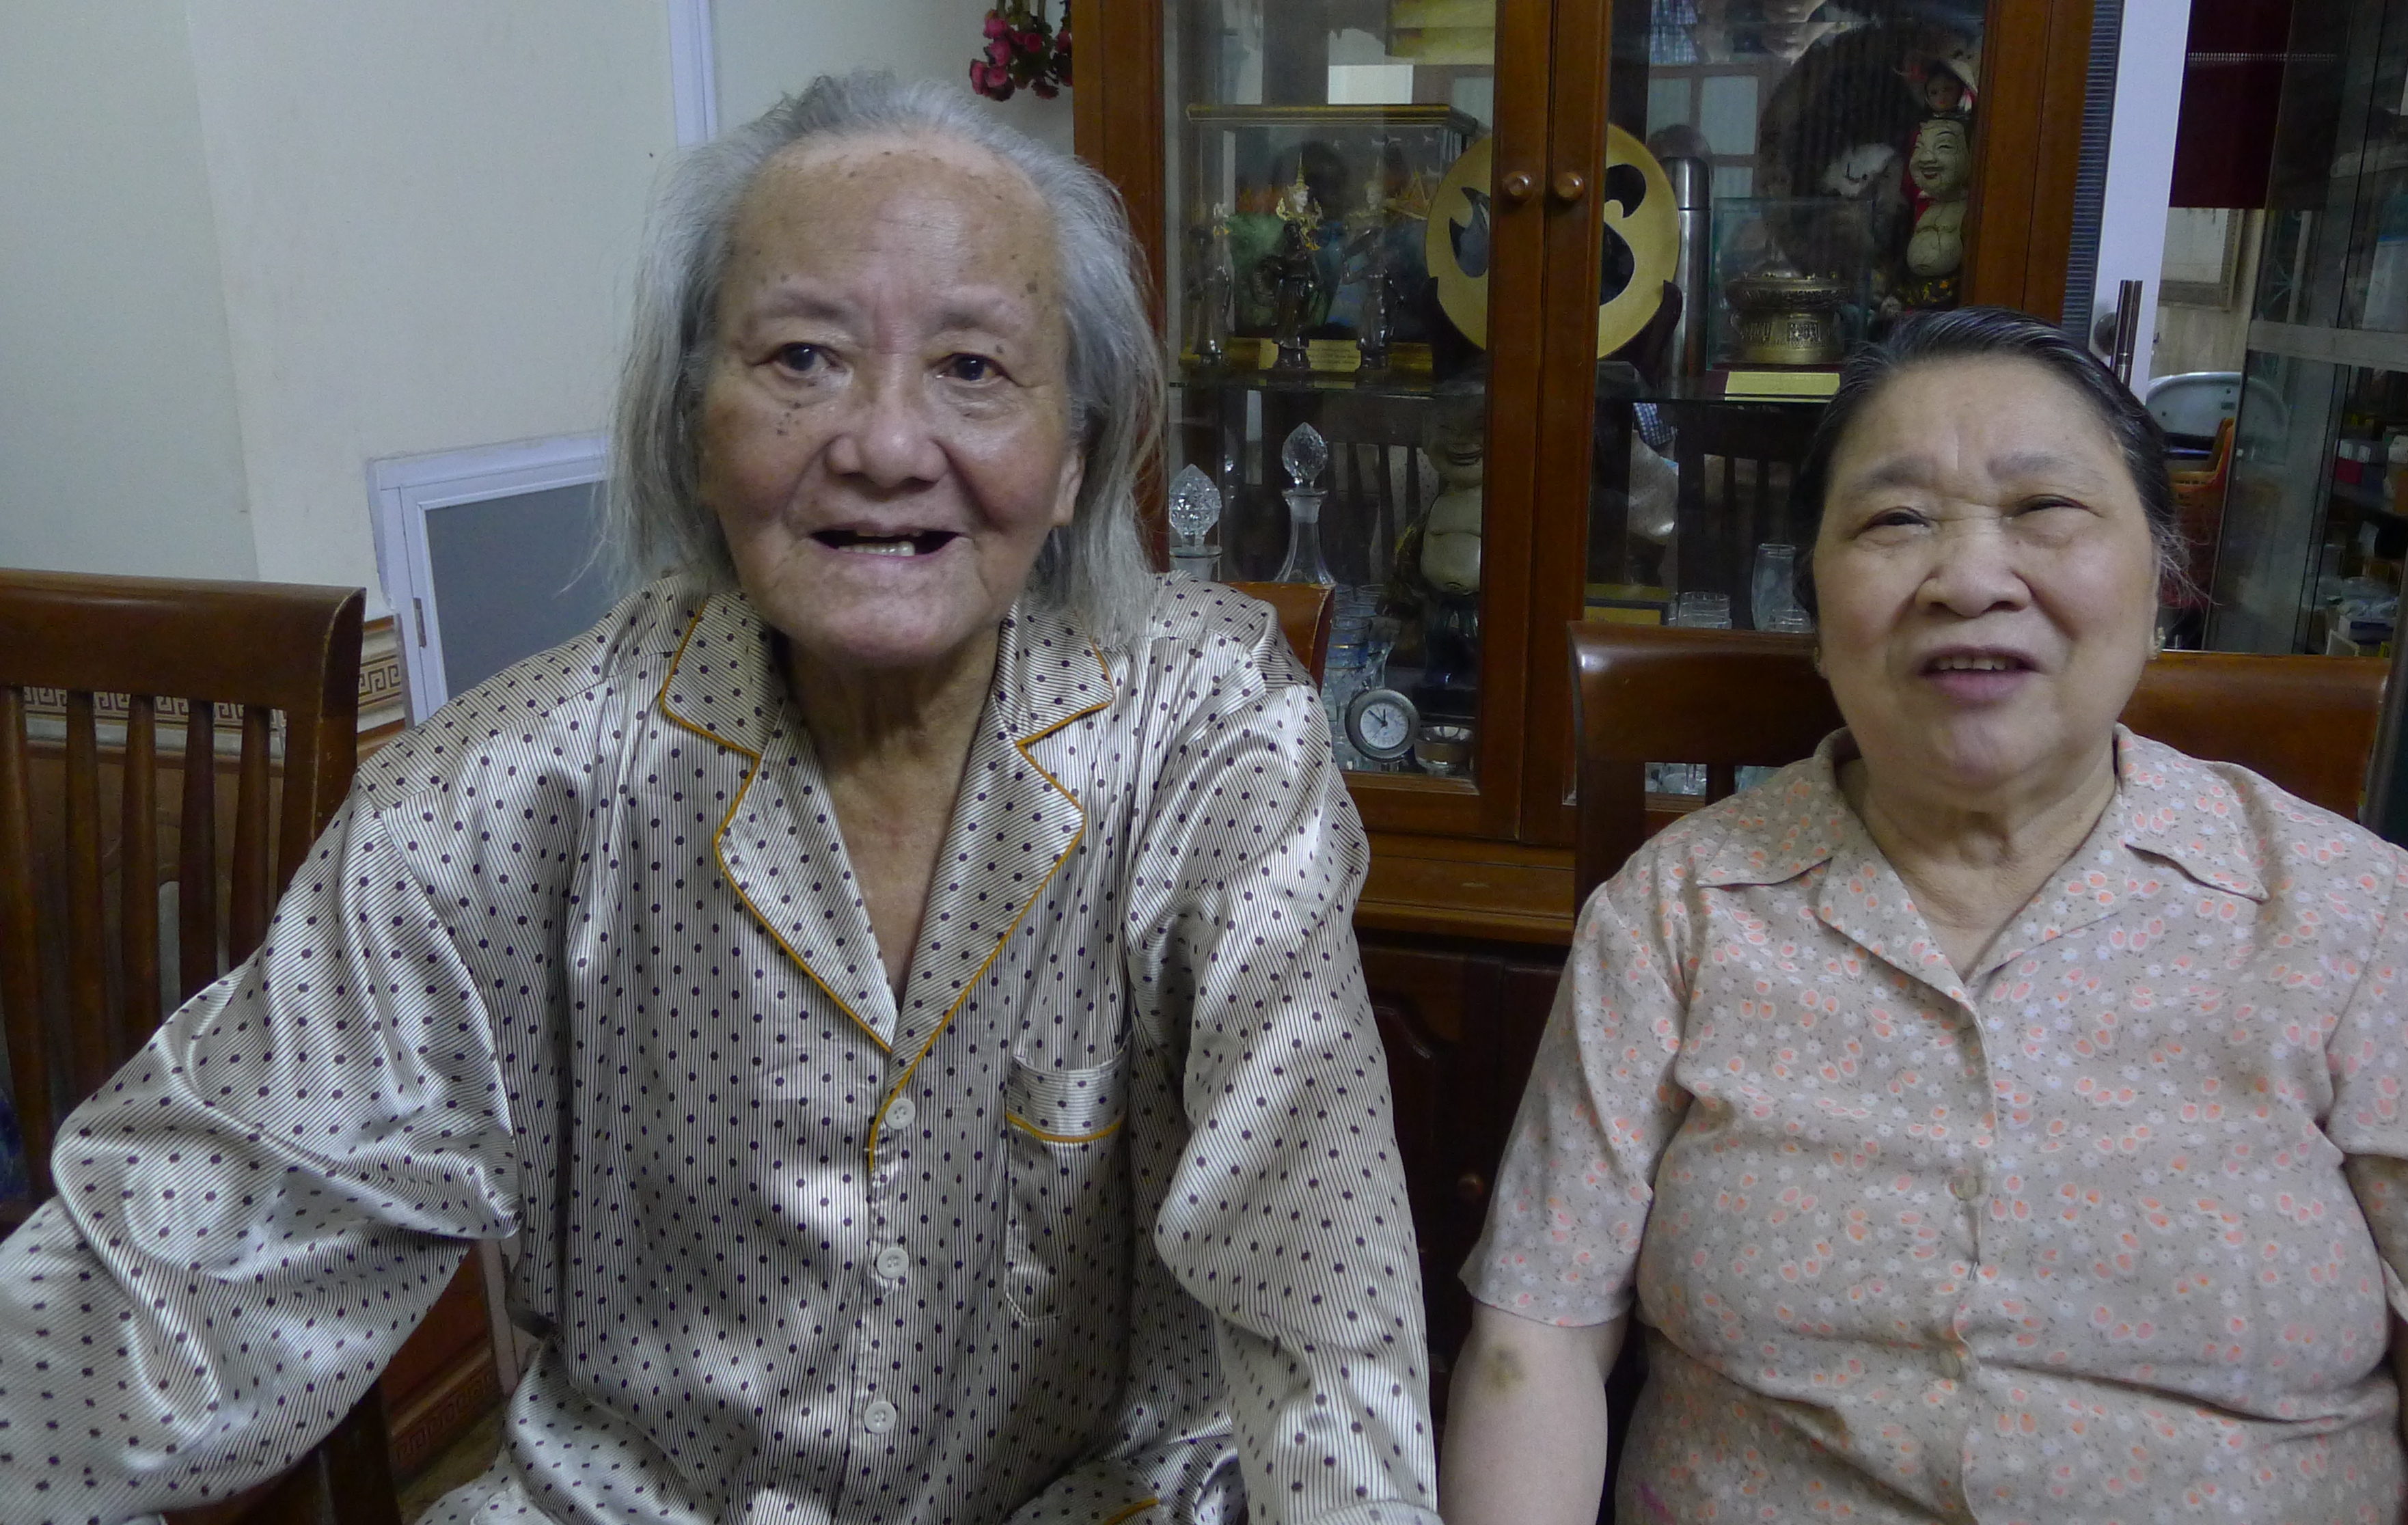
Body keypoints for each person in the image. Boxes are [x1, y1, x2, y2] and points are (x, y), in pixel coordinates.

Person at [0, 73, 1436, 1525]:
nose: (885, 446)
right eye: (803, 357)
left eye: (973, 367)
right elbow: (194, 1248)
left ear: (1073, 458)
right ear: (694, 426)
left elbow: (1323, 1298)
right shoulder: (511, 787)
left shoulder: (1208, 739)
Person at [1440, 308, 2408, 1525]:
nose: (1971, 580)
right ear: (1812, 606)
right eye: (1896, 520)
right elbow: (1532, 1347)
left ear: (2163, 582)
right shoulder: (1676, 914)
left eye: (2046, 509)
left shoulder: (2350, 914)